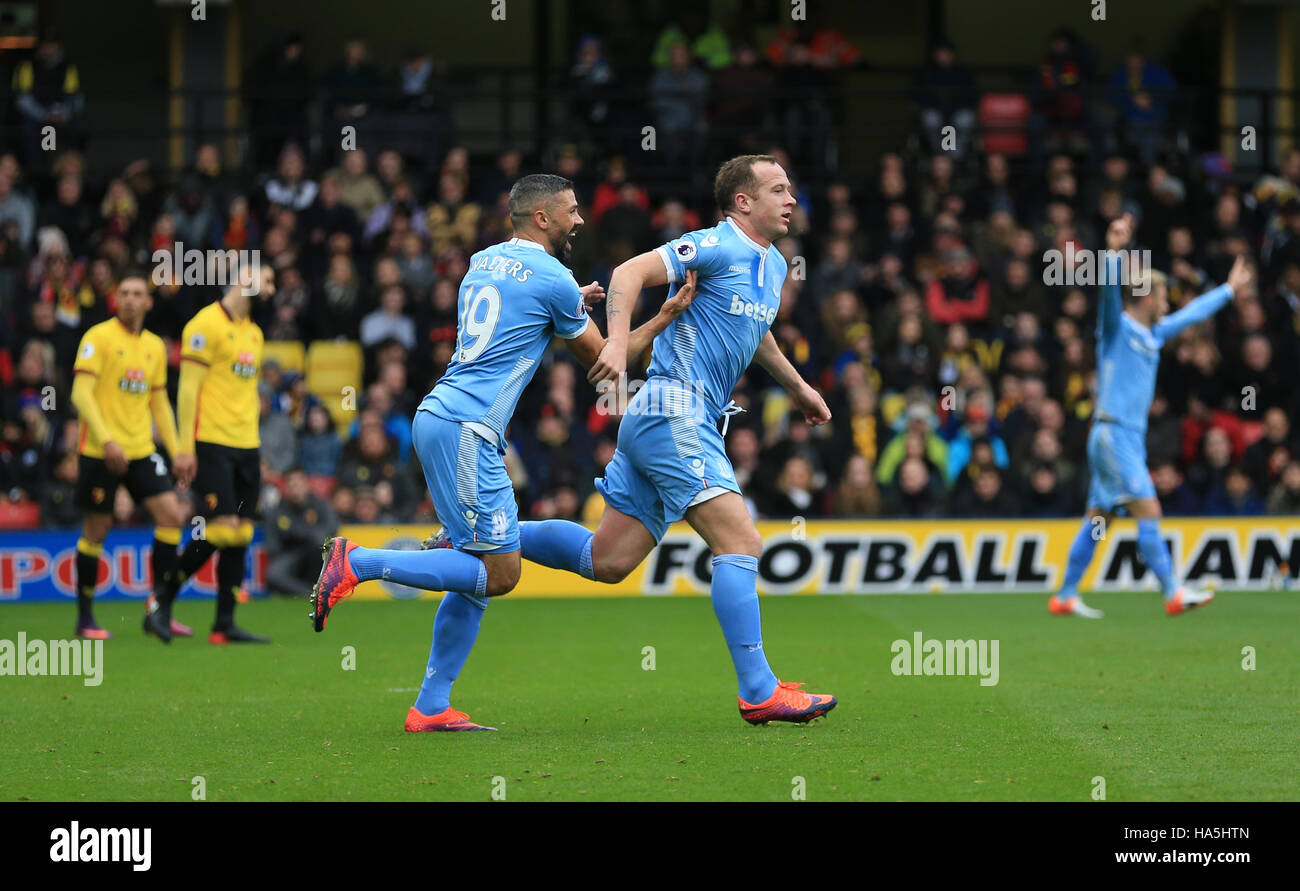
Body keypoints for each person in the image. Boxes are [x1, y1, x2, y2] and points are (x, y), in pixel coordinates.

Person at [310, 174, 694, 731]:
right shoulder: (554, 278)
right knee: (501, 572)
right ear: (542, 218)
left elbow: (520, 306)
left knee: (478, 571)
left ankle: (431, 706)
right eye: (571, 211)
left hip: (440, 415)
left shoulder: (483, 261)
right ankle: (359, 562)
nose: (580, 220)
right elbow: (610, 361)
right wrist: (663, 317)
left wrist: (571, 300)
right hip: (468, 426)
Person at [519, 155, 838, 725]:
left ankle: (484, 534)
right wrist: (616, 343)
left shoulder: (770, 265)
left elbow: (755, 334)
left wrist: (798, 387)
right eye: (779, 190)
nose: (791, 199)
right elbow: (628, 274)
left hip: (667, 417)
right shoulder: (715, 245)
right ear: (743, 202)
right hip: (674, 409)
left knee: (608, 559)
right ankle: (759, 690)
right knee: (740, 542)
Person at [1049, 215, 1251, 618]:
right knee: (1150, 511)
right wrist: (1112, 252)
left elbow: (1191, 315)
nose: (1167, 304)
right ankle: (1173, 591)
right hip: (1114, 434)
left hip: (1119, 437)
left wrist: (1228, 290)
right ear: (1144, 297)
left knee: (1098, 520)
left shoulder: (1154, 335)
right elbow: (1107, 292)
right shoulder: (1116, 329)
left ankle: (1066, 594)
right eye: (1162, 297)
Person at [154, 266, 276, 643]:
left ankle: (224, 623)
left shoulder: (253, 332)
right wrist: (184, 448)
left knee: (241, 532)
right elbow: (187, 390)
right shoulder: (204, 324)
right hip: (211, 442)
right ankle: (160, 602)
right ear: (247, 277)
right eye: (267, 280)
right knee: (221, 528)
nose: (272, 289)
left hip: (246, 445)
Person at [68, 273, 192, 640]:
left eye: (138, 294)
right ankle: (85, 618)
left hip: (140, 450)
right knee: (96, 529)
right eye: (123, 293)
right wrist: (106, 440)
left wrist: (179, 451)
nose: (131, 299)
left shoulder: (155, 346)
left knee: (171, 515)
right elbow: (80, 393)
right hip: (99, 451)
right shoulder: (98, 338)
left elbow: (159, 404)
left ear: (149, 302)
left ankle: (158, 609)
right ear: (114, 300)